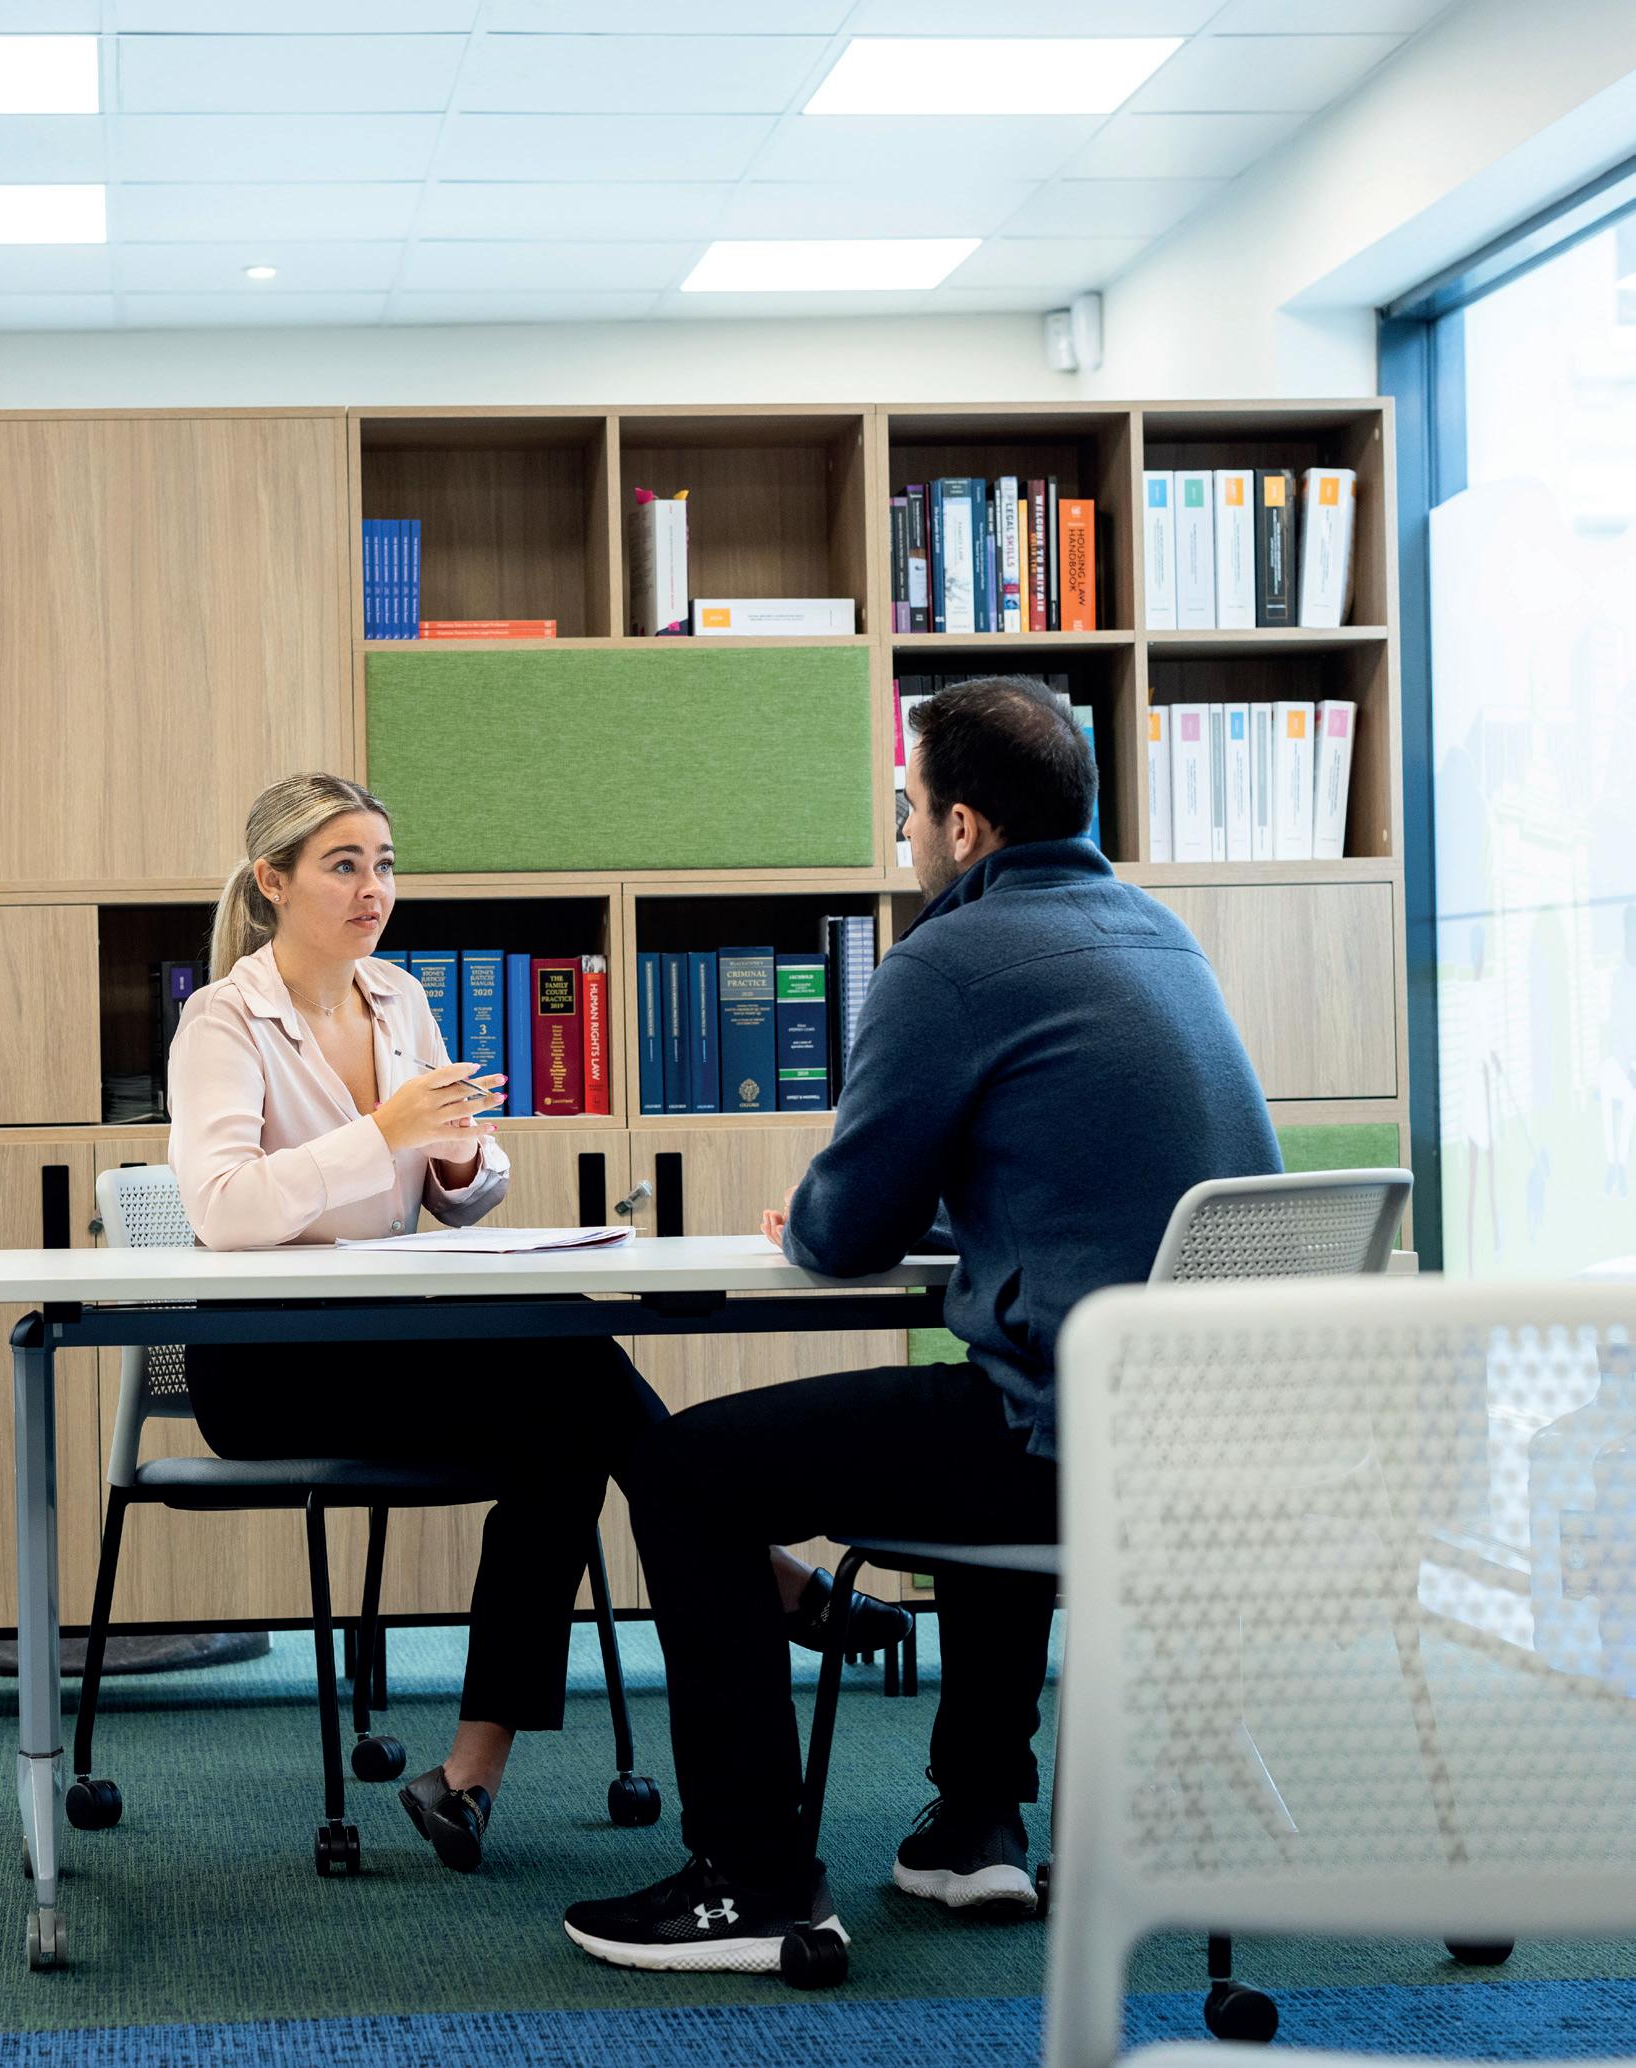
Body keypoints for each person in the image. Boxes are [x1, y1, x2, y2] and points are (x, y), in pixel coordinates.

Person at [564, 678, 1280, 1973]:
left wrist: (817, 1212)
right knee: (986, 1383)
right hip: (1207, 1432)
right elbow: (1083, 1166)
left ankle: (751, 1883)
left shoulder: (947, 960)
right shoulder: (1157, 936)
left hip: (1067, 1438)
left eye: (906, 810)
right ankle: (973, 1822)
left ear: (962, 826)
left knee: (679, 1470)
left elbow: (843, 1232)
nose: (902, 834)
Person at [168, 771, 908, 1874]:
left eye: (384, 864)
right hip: (267, 1365)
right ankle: (764, 1569)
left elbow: (464, 1193)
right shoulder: (223, 1019)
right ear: (273, 881)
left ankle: (468, 1776)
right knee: (572, 1370)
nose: (374, 889)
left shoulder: (396, 999)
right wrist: (384, 1131)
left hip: (396, 1343)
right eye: (343, 865)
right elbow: (223, 1210)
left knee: (565, 1430)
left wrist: (460, 1159)